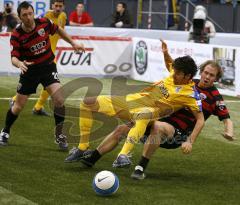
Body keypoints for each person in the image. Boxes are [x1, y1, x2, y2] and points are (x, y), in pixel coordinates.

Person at [74, 43, 234, 180]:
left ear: (216, 78)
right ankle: (90, 158)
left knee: (155, 125)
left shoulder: (207, 96)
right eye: (205, 72)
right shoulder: (186, 78)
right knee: (121, 128)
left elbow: (213, 119)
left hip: (178, 130)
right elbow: (171, 66)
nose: (207, 76)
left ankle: (139, 167)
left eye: (211, 75)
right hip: (155, 114)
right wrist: (165, 53)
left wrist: (192, 140)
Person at [65, 40, 204, 168]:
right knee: (88, 102)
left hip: (150, 113)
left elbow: (200, 120)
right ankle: (82, 148)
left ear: (188, 76)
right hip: (131, 101)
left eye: (178, 73)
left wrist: (190, 141)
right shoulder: (175, 74)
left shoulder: (190, 94)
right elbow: (170, 63)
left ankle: (122, 155)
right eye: (174, 71)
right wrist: (166, 53)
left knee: (144, 115)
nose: (173, 75)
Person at [0, 1, 85, 150]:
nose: (28, 17)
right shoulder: (17, 35)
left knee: (59, 99)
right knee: (18, 106)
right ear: (20, 17)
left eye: (30, 13)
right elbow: (13, 57)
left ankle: (59, 135)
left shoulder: (44, 22)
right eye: (24, 15)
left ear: (33, 13)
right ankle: (5, 131)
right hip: (29, 72)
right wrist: (19, 64)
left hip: (47, 67)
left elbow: (58, 30)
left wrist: (73, 43)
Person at [11, 0, 67, 116]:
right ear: (52, 6)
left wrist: (72, 42)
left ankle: (37, 107)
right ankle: (17, 100)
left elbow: (59, 30)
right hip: (38, 55)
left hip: (49, 53)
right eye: (56, 5)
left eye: (60, 6)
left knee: (49, 83)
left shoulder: (63, 16)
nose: (57, 8)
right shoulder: (45, 16)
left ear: (63, 7)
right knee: (44, 82)